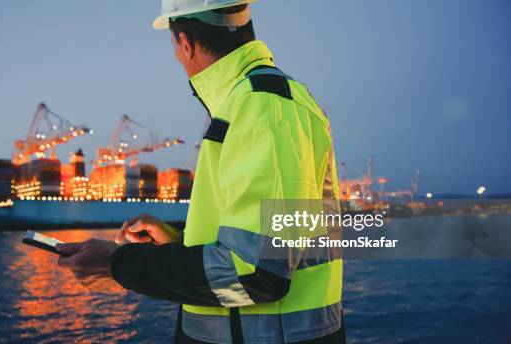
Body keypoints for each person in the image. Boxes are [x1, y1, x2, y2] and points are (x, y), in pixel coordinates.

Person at [56, 1, 345, 343]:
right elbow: (259, 245)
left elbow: (257, 272)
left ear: (186, 43)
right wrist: (178, 242)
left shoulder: (261, 106)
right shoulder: (250, 102)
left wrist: (119, 263)